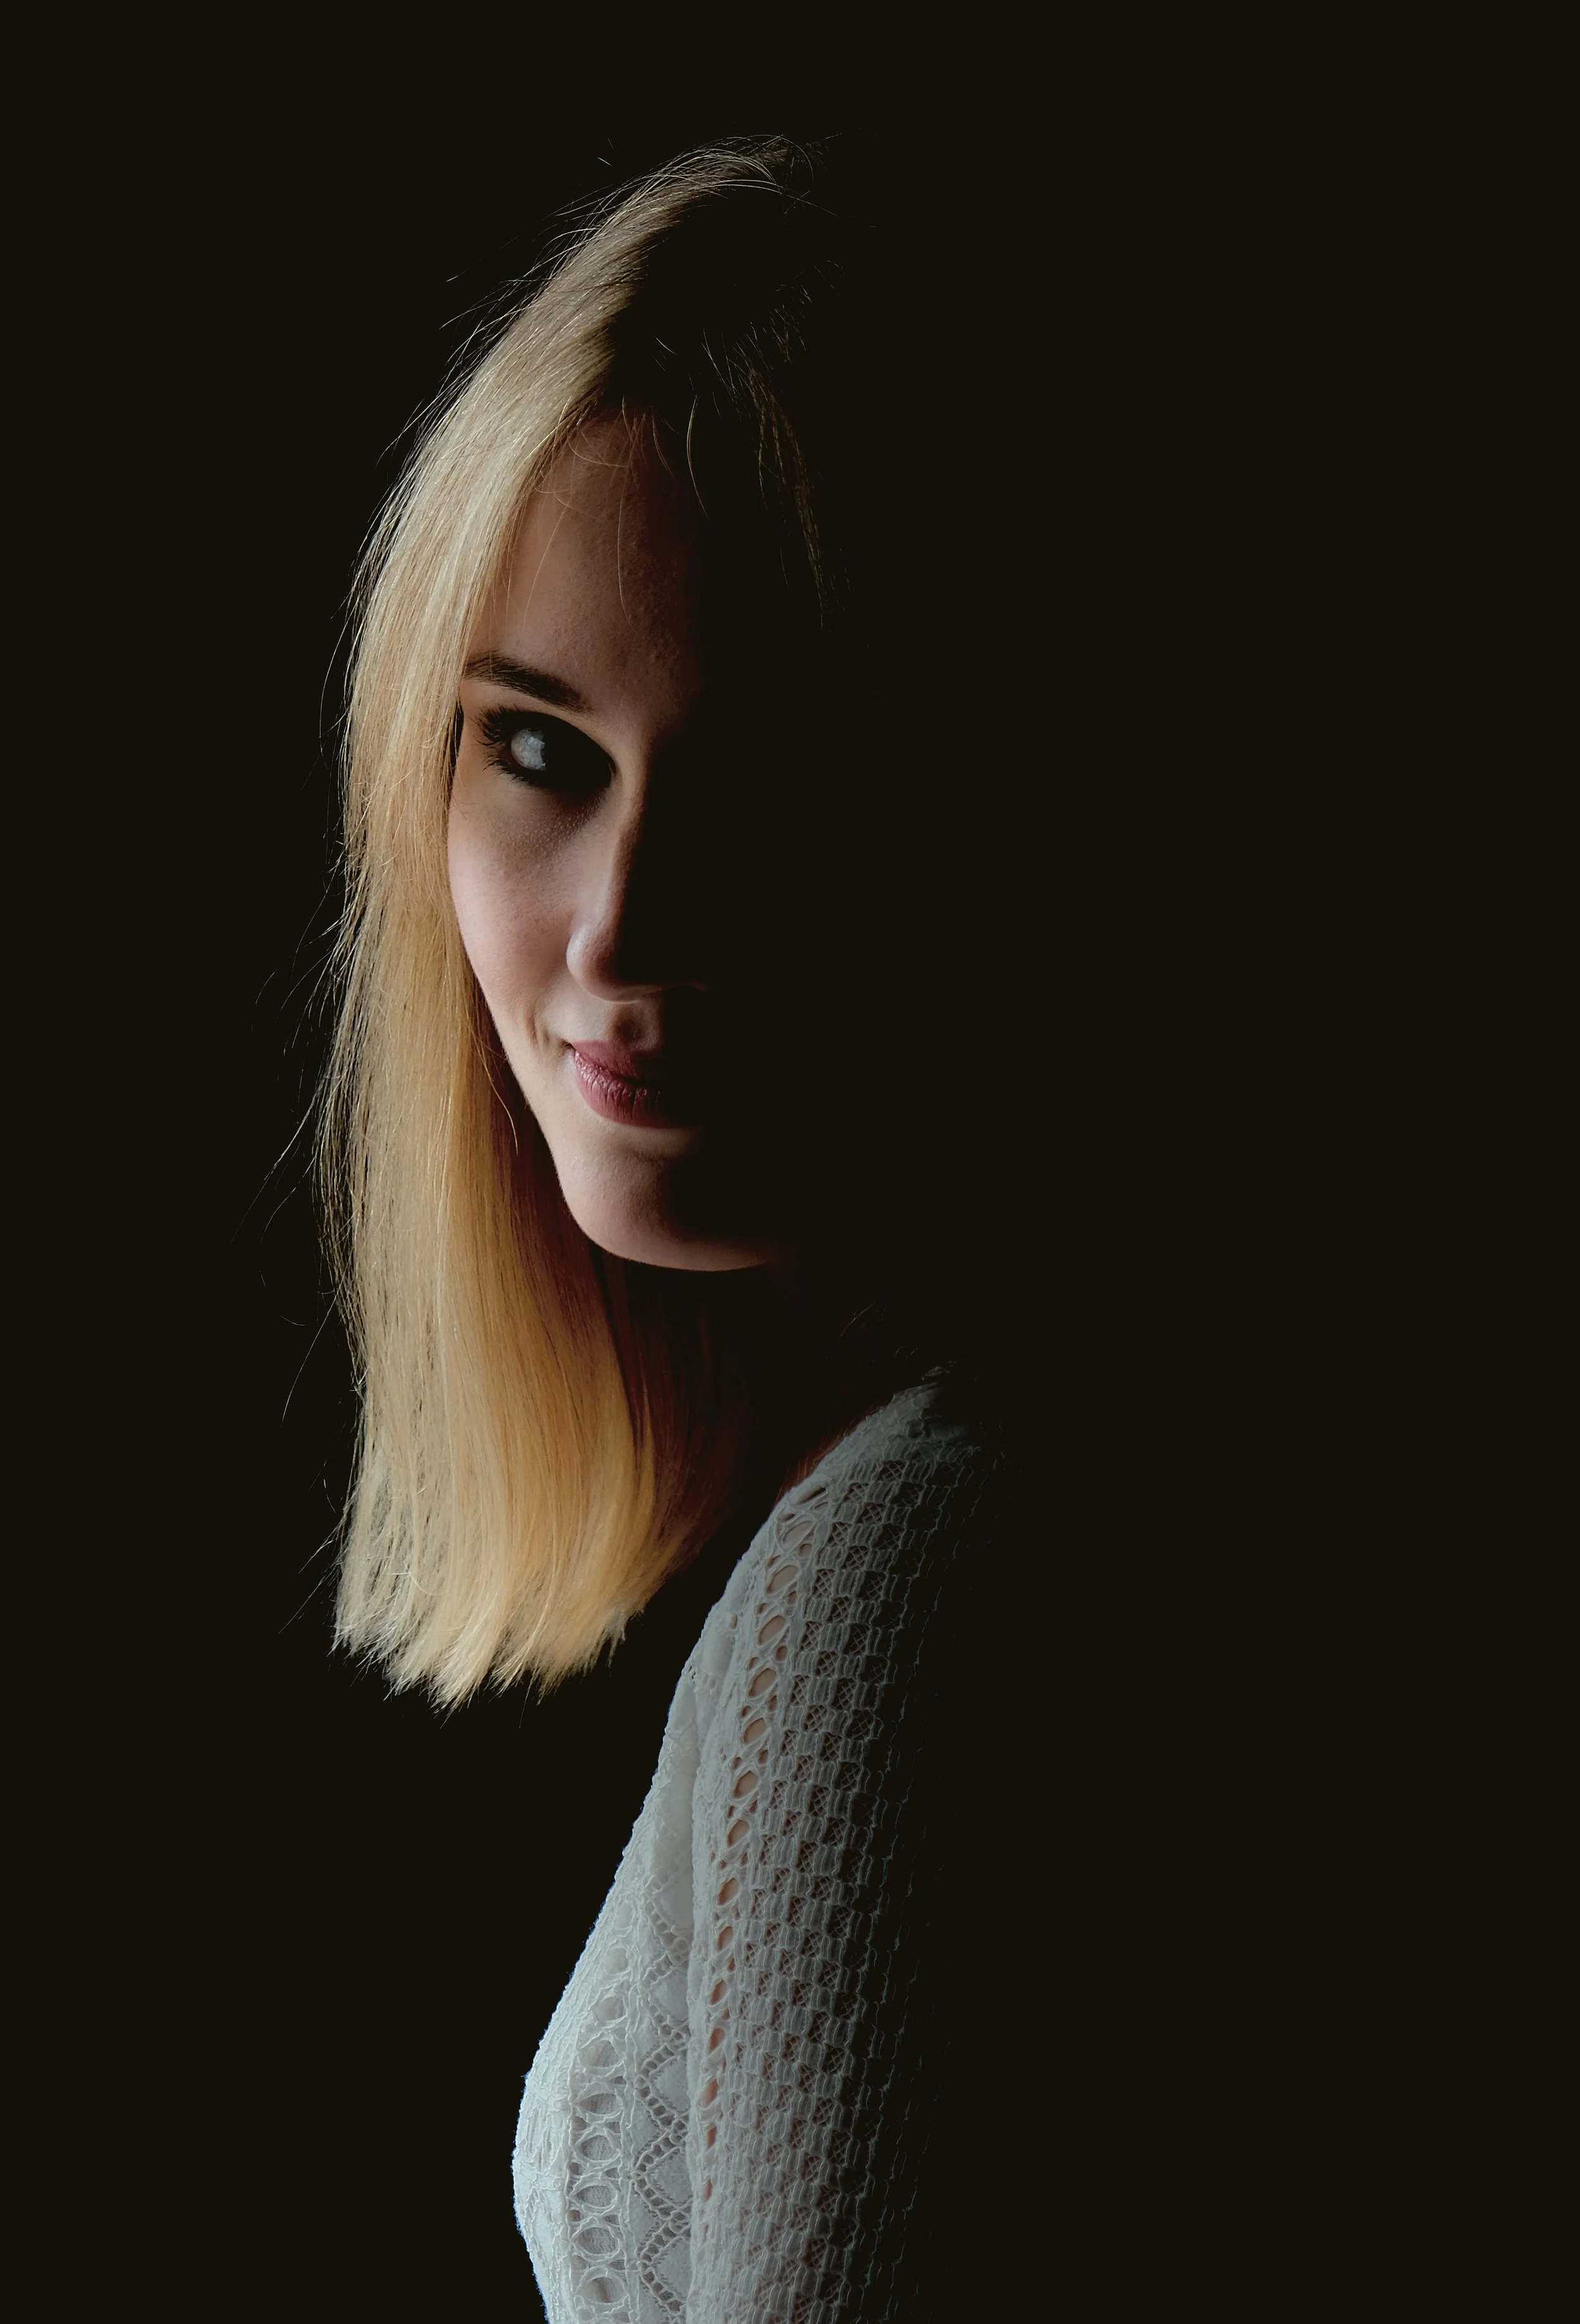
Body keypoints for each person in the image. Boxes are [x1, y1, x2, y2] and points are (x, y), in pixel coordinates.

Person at [321, 138, 1025, 2320]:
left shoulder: (907, 1567)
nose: (617, 928)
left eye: (769, 780)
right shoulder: (898, 1506)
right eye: (540, 750)